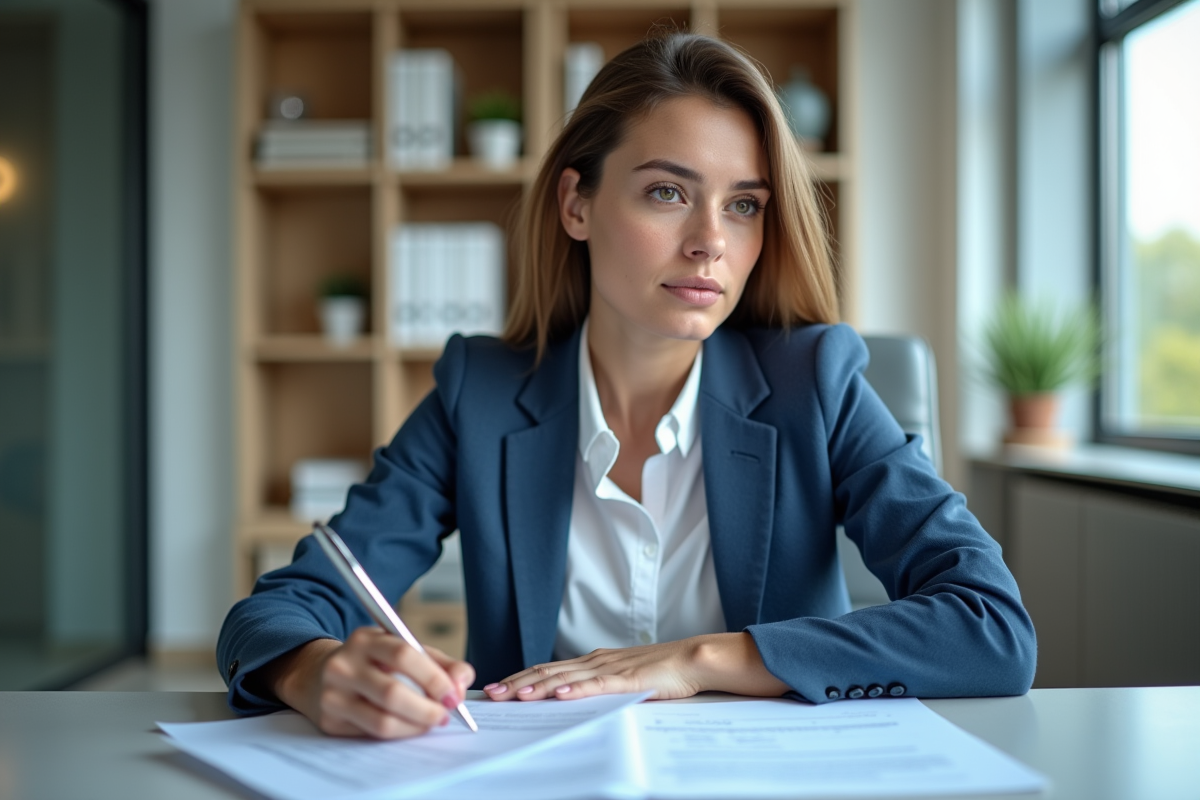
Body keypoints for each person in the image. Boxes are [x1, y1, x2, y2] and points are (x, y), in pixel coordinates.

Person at [218, 31, 1036, 740]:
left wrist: (700, 659)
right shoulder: (483, 395)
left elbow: (992, 627)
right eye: (668, 193)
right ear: (577, 203)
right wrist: (317, 672)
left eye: (745, 205)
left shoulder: (814, 384)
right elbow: (276, 613)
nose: (711, 242)